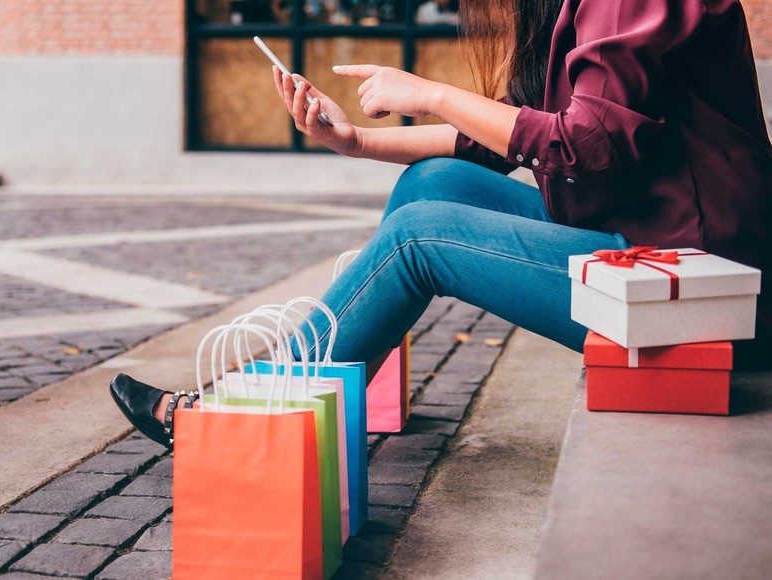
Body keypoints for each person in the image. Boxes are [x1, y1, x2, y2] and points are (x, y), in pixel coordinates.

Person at [111, 0, 771, 447]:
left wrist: (429, 92)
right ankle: (336, 383)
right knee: (434, 182)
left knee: (419, 235)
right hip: (640, 242)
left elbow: (585, 144)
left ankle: (240, 417)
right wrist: (355, 141)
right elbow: (499, 139)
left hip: (700, 290)